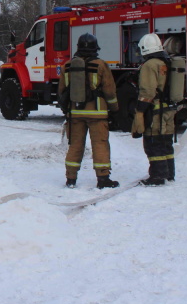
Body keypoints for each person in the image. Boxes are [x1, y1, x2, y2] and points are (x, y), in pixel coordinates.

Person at [57, 33, 120, 189]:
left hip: (75, 113)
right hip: (97, 114)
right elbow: (110, 91)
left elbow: (61, 91)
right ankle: (103, 178)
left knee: (75, 145)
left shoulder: (67, 66)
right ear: (95, 48)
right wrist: (114, 110)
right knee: (100, 144)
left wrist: (67, 110)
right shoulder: (101, 65)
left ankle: (70, 178)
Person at [131, 33, 176, 186]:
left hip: (155, 111)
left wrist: (140, 110)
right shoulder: (167, 62)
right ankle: (169, 173)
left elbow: (147, 91)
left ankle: (157, 176)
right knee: (166, 142)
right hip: (168, 110)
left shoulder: (149, 65)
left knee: (153, 142)